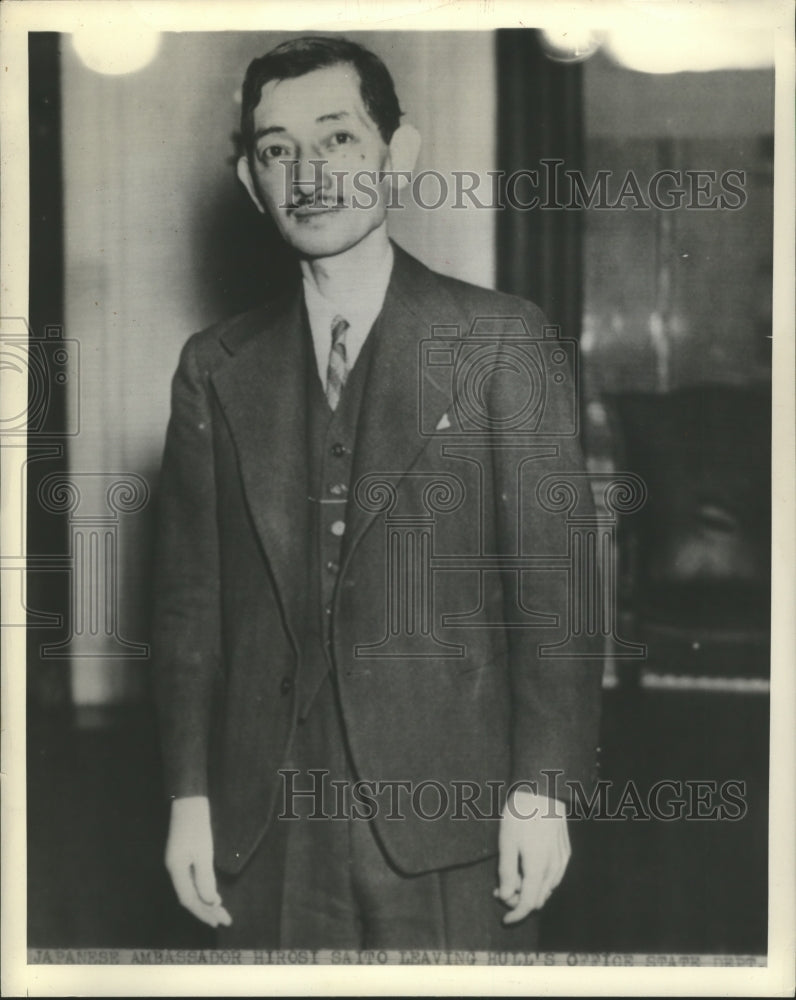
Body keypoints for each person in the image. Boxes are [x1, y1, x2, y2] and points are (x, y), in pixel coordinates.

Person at [153, 35, 601, 952]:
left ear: (401, 154)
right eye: (277, 150)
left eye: (339, 140)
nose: (308, 174)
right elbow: (189, 608)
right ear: (250, 179)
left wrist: (543, 789)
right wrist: (188, 795)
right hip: (265, 824)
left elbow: (558, 597)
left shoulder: (501, 342)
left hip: (454, 822)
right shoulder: (213, 368)